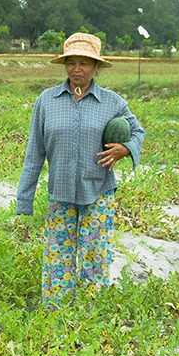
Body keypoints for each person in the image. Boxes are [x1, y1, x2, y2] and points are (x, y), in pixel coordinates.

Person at [15, 33, 145, 308]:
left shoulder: (112, 102)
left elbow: (137, 131)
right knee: (57, 254)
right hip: (60, 191)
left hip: (98, 190)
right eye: (71, 62)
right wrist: (24, 200)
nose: (77, 69)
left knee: (95, 253)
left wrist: (126, 149)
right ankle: (55, 312)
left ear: (96, 67)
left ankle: (89, 312)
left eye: (84, 63)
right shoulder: (46, 101)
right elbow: (34, 152)